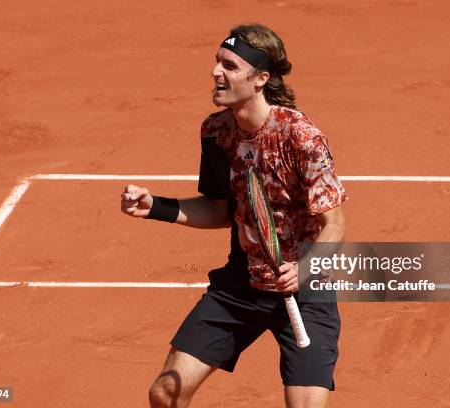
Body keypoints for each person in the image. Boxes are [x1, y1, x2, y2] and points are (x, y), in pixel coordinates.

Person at [121, 23, 347, 408]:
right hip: (239, 286)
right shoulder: (216, 132)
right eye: (216, 62)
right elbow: (220, 209)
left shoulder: (301, 137)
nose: (215, 72)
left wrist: (305, 268)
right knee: (165, 393)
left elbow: (335, 223)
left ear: (260, 78)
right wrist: (155, 207)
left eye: (229, 65)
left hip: (305, 292)